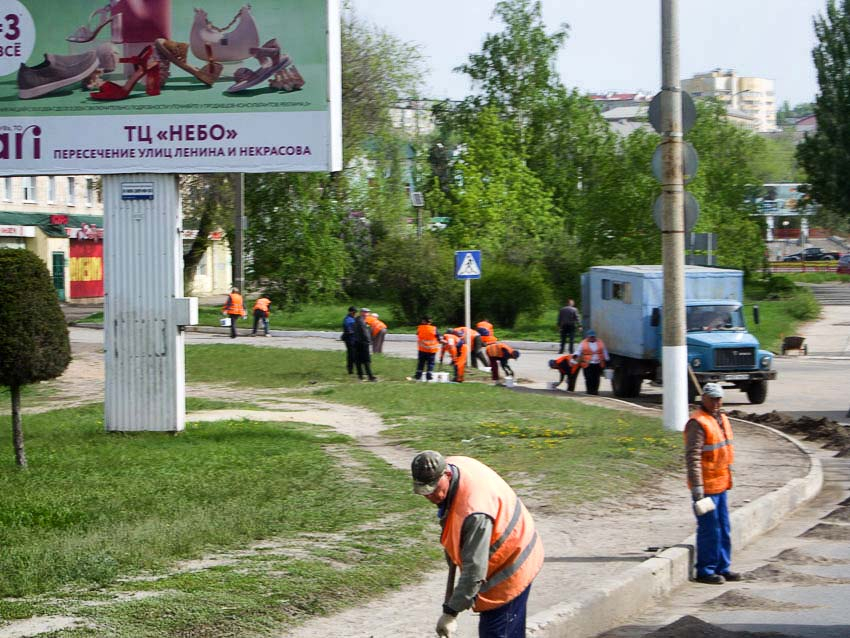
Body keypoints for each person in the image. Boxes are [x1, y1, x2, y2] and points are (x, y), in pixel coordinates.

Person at [411, 451, 543, 638]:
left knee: (497, 632)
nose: (430, 495)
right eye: (424, 491)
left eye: (433, 488)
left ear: (446, 475)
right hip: (510, 547)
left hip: (513, 564)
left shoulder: (474, 513)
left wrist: (450, 613)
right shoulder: (454, 467)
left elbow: (474, 572)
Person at [685, 383, 740, 585]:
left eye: (719, 399)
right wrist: (697, 486)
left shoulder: (721, 418)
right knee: (710, 529)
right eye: (712, 399)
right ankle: (705, 570)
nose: (716, 402)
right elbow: (693, 456)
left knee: (723, 527)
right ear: (704, 398)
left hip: (721, 483)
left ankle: (722, 567)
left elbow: (724, 450)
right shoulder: (697, 422)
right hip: (706, 486)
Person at [573, 329, 609, 395]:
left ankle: (595, 391)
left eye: (593, 337)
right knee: (588, 378)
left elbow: (604, 351)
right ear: (588, 337)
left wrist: (607, 359)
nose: (592, 338)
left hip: (598, 363)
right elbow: (578, 350)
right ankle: (589, 391)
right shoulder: (583, 343)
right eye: (591, 337)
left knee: (596, 378)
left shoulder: (600, 342)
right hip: (587, 364)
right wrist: (575, 355)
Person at [353, 307, 377, 381]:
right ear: (361, 313)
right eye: (365, 312)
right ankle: (370, 376)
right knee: (366, 360)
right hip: (363, 343)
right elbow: (364, 333)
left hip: (358, 342)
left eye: (368, 312)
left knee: (359, 360)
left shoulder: (358, 320)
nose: (367, 314)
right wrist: (368, 341)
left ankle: (360, 376)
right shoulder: (361, 321)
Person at [414, 317, 442, 381]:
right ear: (430, 322)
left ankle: (418, 376)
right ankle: (429, 376)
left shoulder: (420, 327)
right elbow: (439, 337)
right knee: (431, 363)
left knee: (421, 363)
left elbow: (417, 334)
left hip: (422, 349)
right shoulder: (434, 328)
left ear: (424, 321)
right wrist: (440, 341)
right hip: (431, 349)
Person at [341, 306, 357, 375]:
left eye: (355, 312)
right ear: (350, 312)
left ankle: (355, 369)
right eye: (353, 312)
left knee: (355, 354)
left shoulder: (353, 318)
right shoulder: (347, 319)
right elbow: (348, 330)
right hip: (349, 339)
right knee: (351, 355)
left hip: (354, 339)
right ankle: (350, 370)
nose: (354, 314)